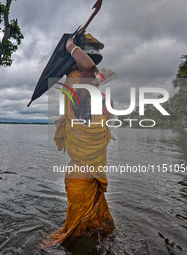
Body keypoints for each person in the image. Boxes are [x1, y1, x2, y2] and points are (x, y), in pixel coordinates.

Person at [40, 34, 114, 248]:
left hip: (91, 175)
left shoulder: (84, 105)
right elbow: (89, 69)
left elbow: (93, 74)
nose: (94, 81)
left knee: (103, 228)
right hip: (81, 177)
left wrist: (106, 116)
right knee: (74, 235)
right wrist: (70, 45)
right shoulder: (79, 93)